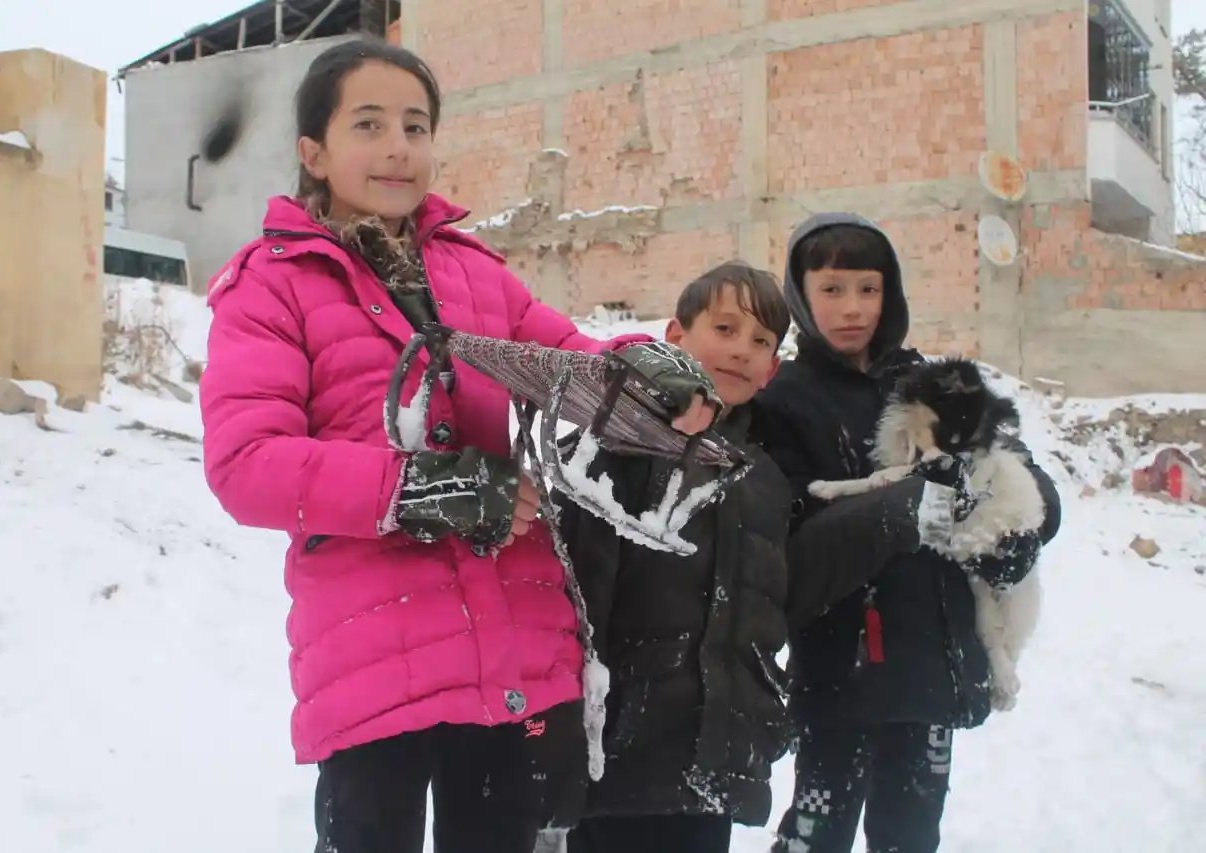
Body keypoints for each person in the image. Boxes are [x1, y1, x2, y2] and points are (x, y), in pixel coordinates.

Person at [197, 37, 719, 853]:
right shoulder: (273, 284)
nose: (398, 146)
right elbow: (247, 464)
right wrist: (426, 488)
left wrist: (647, 375)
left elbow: (565, 355)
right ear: (314, 151)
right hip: (374, 657)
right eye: (367, 124)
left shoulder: (473, 274)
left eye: (416, 124)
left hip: (504, 653)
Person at [553, 263, 935, 853]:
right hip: (618, 761)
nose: (741, 351)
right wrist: (555, 743)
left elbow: (781, 596)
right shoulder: (616, 444)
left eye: (761, 342)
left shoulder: (762, 478)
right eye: (725, 329)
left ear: (772, 371)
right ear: (675, 337)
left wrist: (886, 516)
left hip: (715, 760)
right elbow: (569, 602)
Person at [755, 214, 1063, 853]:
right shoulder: (783, 401)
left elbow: (1026, 476)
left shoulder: (934, 382)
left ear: (889, 294)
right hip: (841, 663)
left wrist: (1018, 534)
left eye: (868, 289)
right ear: (801, 294)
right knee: (818, 834)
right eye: (832, 289)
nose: (852, 309)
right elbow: (793, 545)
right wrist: (900, 509)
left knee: (912, 835)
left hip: (931, 659)